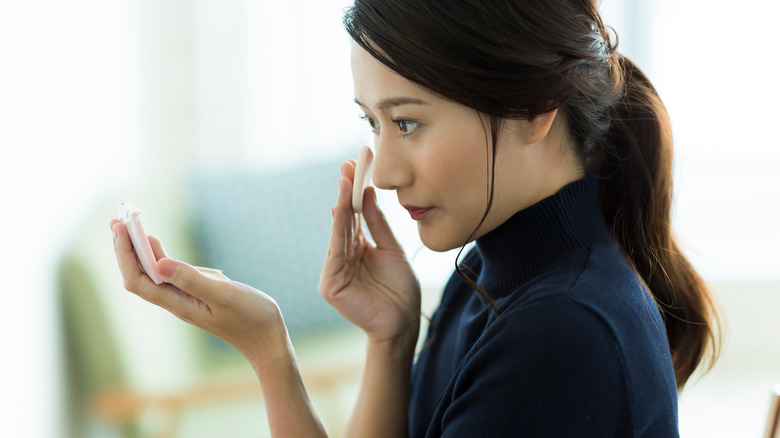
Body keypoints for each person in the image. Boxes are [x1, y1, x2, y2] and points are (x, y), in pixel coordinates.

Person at [111, 0, 721, 436]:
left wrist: (270, 350)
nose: (383, 172)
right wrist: (390, 338)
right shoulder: (489, 269)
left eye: (407, 122)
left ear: (536, 109)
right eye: (372, 124)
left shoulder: (560, 335)